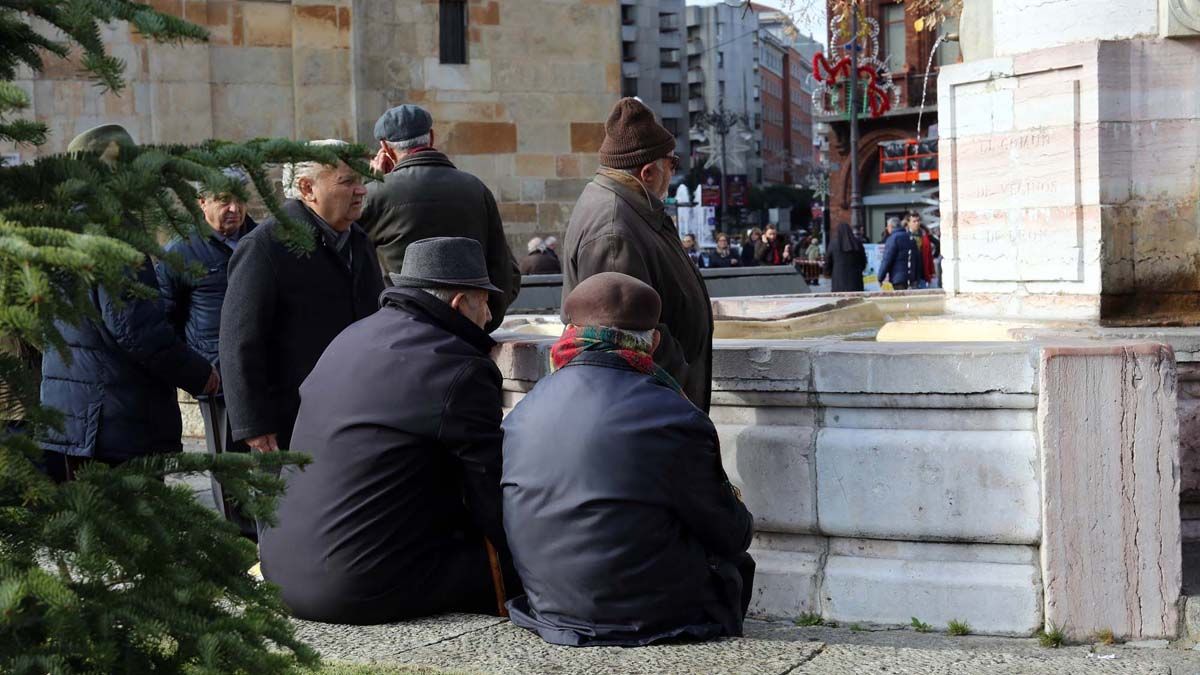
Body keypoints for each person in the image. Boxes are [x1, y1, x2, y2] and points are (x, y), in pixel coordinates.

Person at [260, 237, 517, 624]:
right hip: (357, 585)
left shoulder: (351, 337)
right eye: (485, 302)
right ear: (460, 303)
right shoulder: (458, 367)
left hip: (280, 569)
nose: (488, 316)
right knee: (512, 563)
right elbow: (491, 492)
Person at [502, 272, 754, 647]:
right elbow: (731, 533)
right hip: (654, 620)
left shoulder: (525, 409)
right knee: (735, 565)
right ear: (653, 342)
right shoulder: (674, 415)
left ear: (570, 334)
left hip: (550, 611)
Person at [39, 124, 218, 482]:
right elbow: (136, 330)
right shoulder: (112, 231)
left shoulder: (56, 229)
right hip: (115, 422)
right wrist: (202, 376)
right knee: (134, 531)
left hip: (71, 418)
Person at [219, 139, 385, 454]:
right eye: (348, 181)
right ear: (307, 188)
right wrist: (254, 424)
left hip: (355, 413)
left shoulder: (360, 243)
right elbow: (239, 340)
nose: (361, 190)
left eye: (362, 181)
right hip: (291, 422)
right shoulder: (266, 246)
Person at [561, 97, 714, 411]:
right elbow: (622, 335)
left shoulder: (631, 209)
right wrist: (682, 387)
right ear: (648, 172)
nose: (673, 172)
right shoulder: (614, 228)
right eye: (672, 163)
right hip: (652, 413)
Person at [157, 167, 258, 533]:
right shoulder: (180, 252)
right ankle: (239, 538)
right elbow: (167, 318)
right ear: (201, 204)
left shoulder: (263, 239)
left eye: (239, 199)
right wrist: (195, 371)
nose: (234, 208)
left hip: (264, 368)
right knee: (228, 463)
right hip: (217, 376)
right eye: (222, 201)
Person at [360, 104, 520, 332]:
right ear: (431, 137)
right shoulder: (475, 188)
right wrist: (483, 321)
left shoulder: (375, 194)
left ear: (384, 147)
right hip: (468, 327)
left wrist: (373, 184)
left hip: (401, 328)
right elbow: (504, 270)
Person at [878, 215, 921, 290]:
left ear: (890, 226)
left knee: (902, 300)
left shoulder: (892, 239)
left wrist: (880, 277)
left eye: (887, 227)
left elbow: (887, 260)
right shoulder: (911, 238)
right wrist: (917, 278)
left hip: (898, 278)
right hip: (912, 278)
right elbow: (918, 260)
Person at [824, 222, 867, 293]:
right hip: (856, 281)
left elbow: (827, 262)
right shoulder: (857, 243)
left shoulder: (833, 244)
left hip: (838, 282)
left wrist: (828, 273)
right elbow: (863, 262)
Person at [907, 212, 935, 289]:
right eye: (914, 221)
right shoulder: (905, 236)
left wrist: (931, 271)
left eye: (918, 221)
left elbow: (929, 255)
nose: (917, 223)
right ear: (908, 223)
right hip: (910, 276)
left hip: (923, 274)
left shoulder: (924, 235)